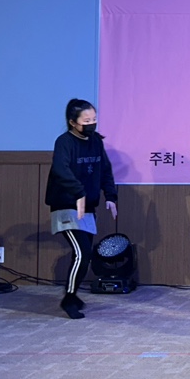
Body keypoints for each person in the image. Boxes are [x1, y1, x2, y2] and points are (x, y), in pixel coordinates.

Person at [44, 98, 117, 319]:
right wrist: (78, 192)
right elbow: (61, 170)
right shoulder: (64, 142)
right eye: (86, 120)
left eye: (94, 119)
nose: (91, 123)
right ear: (72, 122)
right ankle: (68, 299)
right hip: (66, 205)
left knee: (86, 255)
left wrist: (110, 196)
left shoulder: (95, 142)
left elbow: (105, 170)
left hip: (87, 207)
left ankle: (73, 295)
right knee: (81, 253)